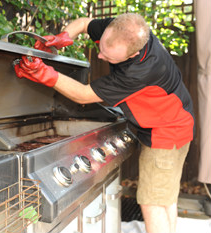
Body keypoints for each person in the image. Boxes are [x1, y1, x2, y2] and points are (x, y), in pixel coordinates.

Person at [14, 13, 194, 233]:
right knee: (165, 196)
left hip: (167, 133)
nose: (99, 56)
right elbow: (82, 23)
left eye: (109, 57)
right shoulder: (120, 29)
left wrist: (44, 74)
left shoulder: (140, 72)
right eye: (102, 50)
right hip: (180, 120)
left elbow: (82, 95)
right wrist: (63, 37)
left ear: (134, 54)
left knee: (152, 201)